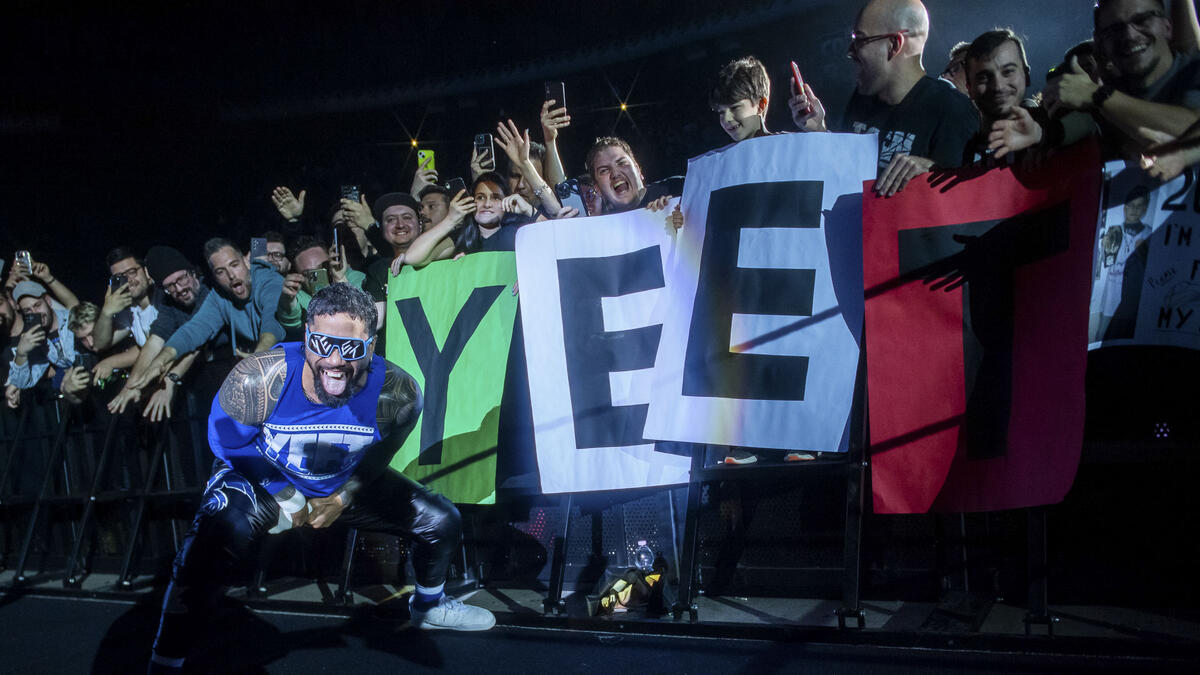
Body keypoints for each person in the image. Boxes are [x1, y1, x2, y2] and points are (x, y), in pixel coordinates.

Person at [147, 284, 494, 673]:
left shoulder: (398, 392)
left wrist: (343, 497)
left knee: (442, 519)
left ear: (372, 344)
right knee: (211, 538)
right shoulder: (261, 377)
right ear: (306, 334)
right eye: (322, 343)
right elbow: (228, 442)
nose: (333, 360)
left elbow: (379, 456)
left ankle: (427, 606)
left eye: (350, 348)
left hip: (339, 482)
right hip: (265, 477)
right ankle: (166, 660)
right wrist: (285, 493)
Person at [788, 0, 980, 196]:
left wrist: (936, 173)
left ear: (894, 44)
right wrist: (819, 131)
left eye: (860, 40)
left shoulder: (953, 112)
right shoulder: (861, 100)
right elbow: (846, 174)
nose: (850, 51)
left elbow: (969, 202)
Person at [1046, 0, 1200, 156]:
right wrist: (1043, 137)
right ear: (1100, 42)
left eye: (1141, 20)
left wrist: (1099, 95)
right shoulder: (1107, 93)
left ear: (1167, 26)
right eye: (1115, 29)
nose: (1129, 35)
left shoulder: (1193, 71)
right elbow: (1083, 124)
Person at [135, 238, 286, 388]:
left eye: (234, 265)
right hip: (257, 374)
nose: (231, 275)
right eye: (221, 272)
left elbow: (272, 321)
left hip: (288, 362)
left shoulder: (270, 281)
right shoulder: (219, 296)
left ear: (246, 261)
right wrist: (160, 361)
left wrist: (259, 354)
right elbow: (193, 330)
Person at [964, 29, 1096, 163]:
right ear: (968, 87)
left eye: (1008, 71)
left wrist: (1044, 136)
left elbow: (1088, 123)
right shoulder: (961, 151)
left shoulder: (1054, 124)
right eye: (984, 77)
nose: (998, 86)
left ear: (1026, 76)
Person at [710, 56, 773, 142]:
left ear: (761, 105)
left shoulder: (789, 144)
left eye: (734, 108)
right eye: (721, 112)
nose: (726, 119)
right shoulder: (722, 155)